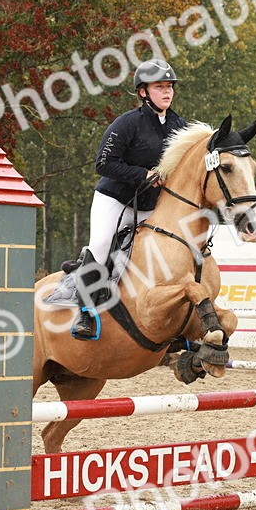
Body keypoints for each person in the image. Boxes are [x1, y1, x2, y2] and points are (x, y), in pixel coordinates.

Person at [69, 59, 188, 340]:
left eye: (170, 87)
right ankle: (85, 312)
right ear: (143, 92)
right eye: (160, 87)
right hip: (116, 199)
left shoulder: (178, 124)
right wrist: (142, 174)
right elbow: (103, 163)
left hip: (151, 205)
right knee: (99, 245)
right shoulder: (127, 123)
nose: (167, 92)